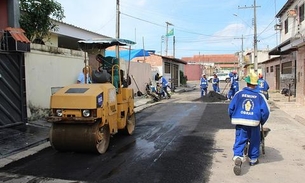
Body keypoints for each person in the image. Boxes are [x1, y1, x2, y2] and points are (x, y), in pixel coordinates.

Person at [228, 72, 270, 176]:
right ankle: (253, 159)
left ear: (247, 83)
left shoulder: (238, 94)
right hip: (254, 122)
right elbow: (266, 111)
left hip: (240, 121)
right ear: (256, 84)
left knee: (240, 139)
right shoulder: (260, 96)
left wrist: (233, 117)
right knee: (255, 141)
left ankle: (238, 157)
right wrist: (262, 121)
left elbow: (230, 108)